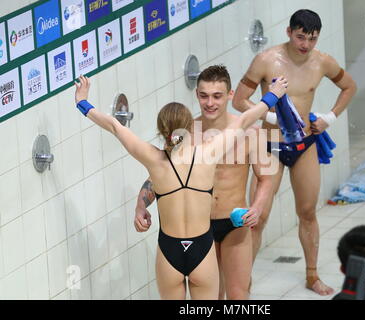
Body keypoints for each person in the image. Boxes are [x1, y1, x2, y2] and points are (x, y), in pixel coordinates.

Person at [74, 74, 288, 300]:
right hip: (202, 248)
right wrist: (274, 94)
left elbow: (115, 127)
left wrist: (82, 102)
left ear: (160, 130)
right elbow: (245, 120)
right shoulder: (209, 152)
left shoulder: (153, 159)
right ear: (189, 127)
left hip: (169, 251)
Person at [232, 9, 357, 296]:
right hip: (271, 145)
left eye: (312, 39)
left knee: (307, 212)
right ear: (289, 32)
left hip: (305, 145)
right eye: (301, 37)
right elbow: (239, 100)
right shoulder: (267, 60)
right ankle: (243, 282)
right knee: (258, 217)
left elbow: (350, 86)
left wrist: (331, 117)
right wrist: (274, 118)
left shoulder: (322, 62)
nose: (306, 45)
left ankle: (312, 276)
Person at [134, 65, 274, 300]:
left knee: (239, 296)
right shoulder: (187, 133)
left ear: (230, 95)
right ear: (197, 95)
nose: (210, 103)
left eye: (217, 96)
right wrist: (141, 205)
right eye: (204, 96)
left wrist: (258, 207)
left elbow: (266, 178)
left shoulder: (251, 133)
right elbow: (158, 175)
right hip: (200, 229)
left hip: (234, 224)